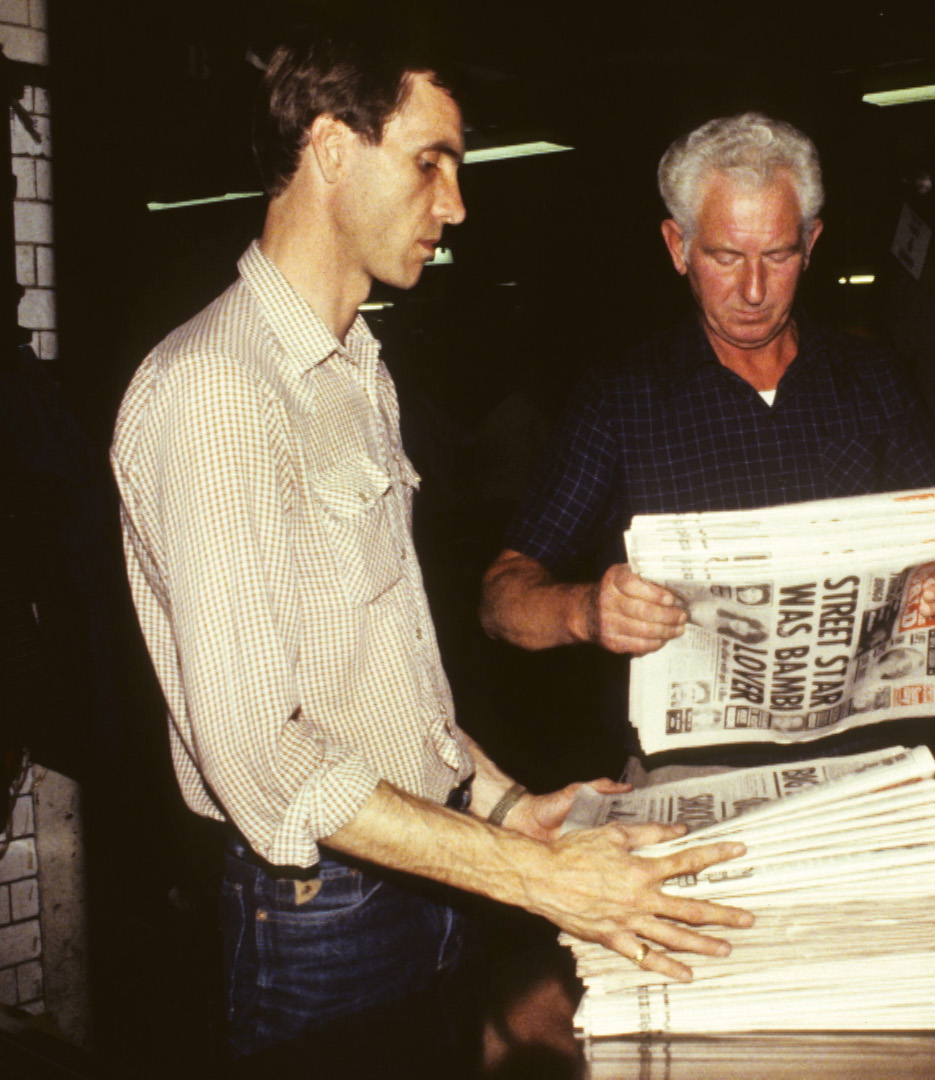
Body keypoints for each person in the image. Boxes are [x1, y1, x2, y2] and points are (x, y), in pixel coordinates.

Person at [110, 32, 751, 1067]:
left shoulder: (357, 369)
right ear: (328, 149)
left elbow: (385, 686)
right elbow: (261, 757)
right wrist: (534, 880)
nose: (454, 204)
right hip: (323, 914)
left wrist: (510, 809)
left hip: (424, 875)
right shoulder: (219, 391)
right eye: (429, 161)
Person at [479, 111, 935, 761]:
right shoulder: (619, 399)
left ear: (810, 243)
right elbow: (502, 598)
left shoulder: (875, 380)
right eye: (725, 257)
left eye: (778, 256)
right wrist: (585, 611)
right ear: (678, 247)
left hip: (862, 768)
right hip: (694, 777)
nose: (753, 291)